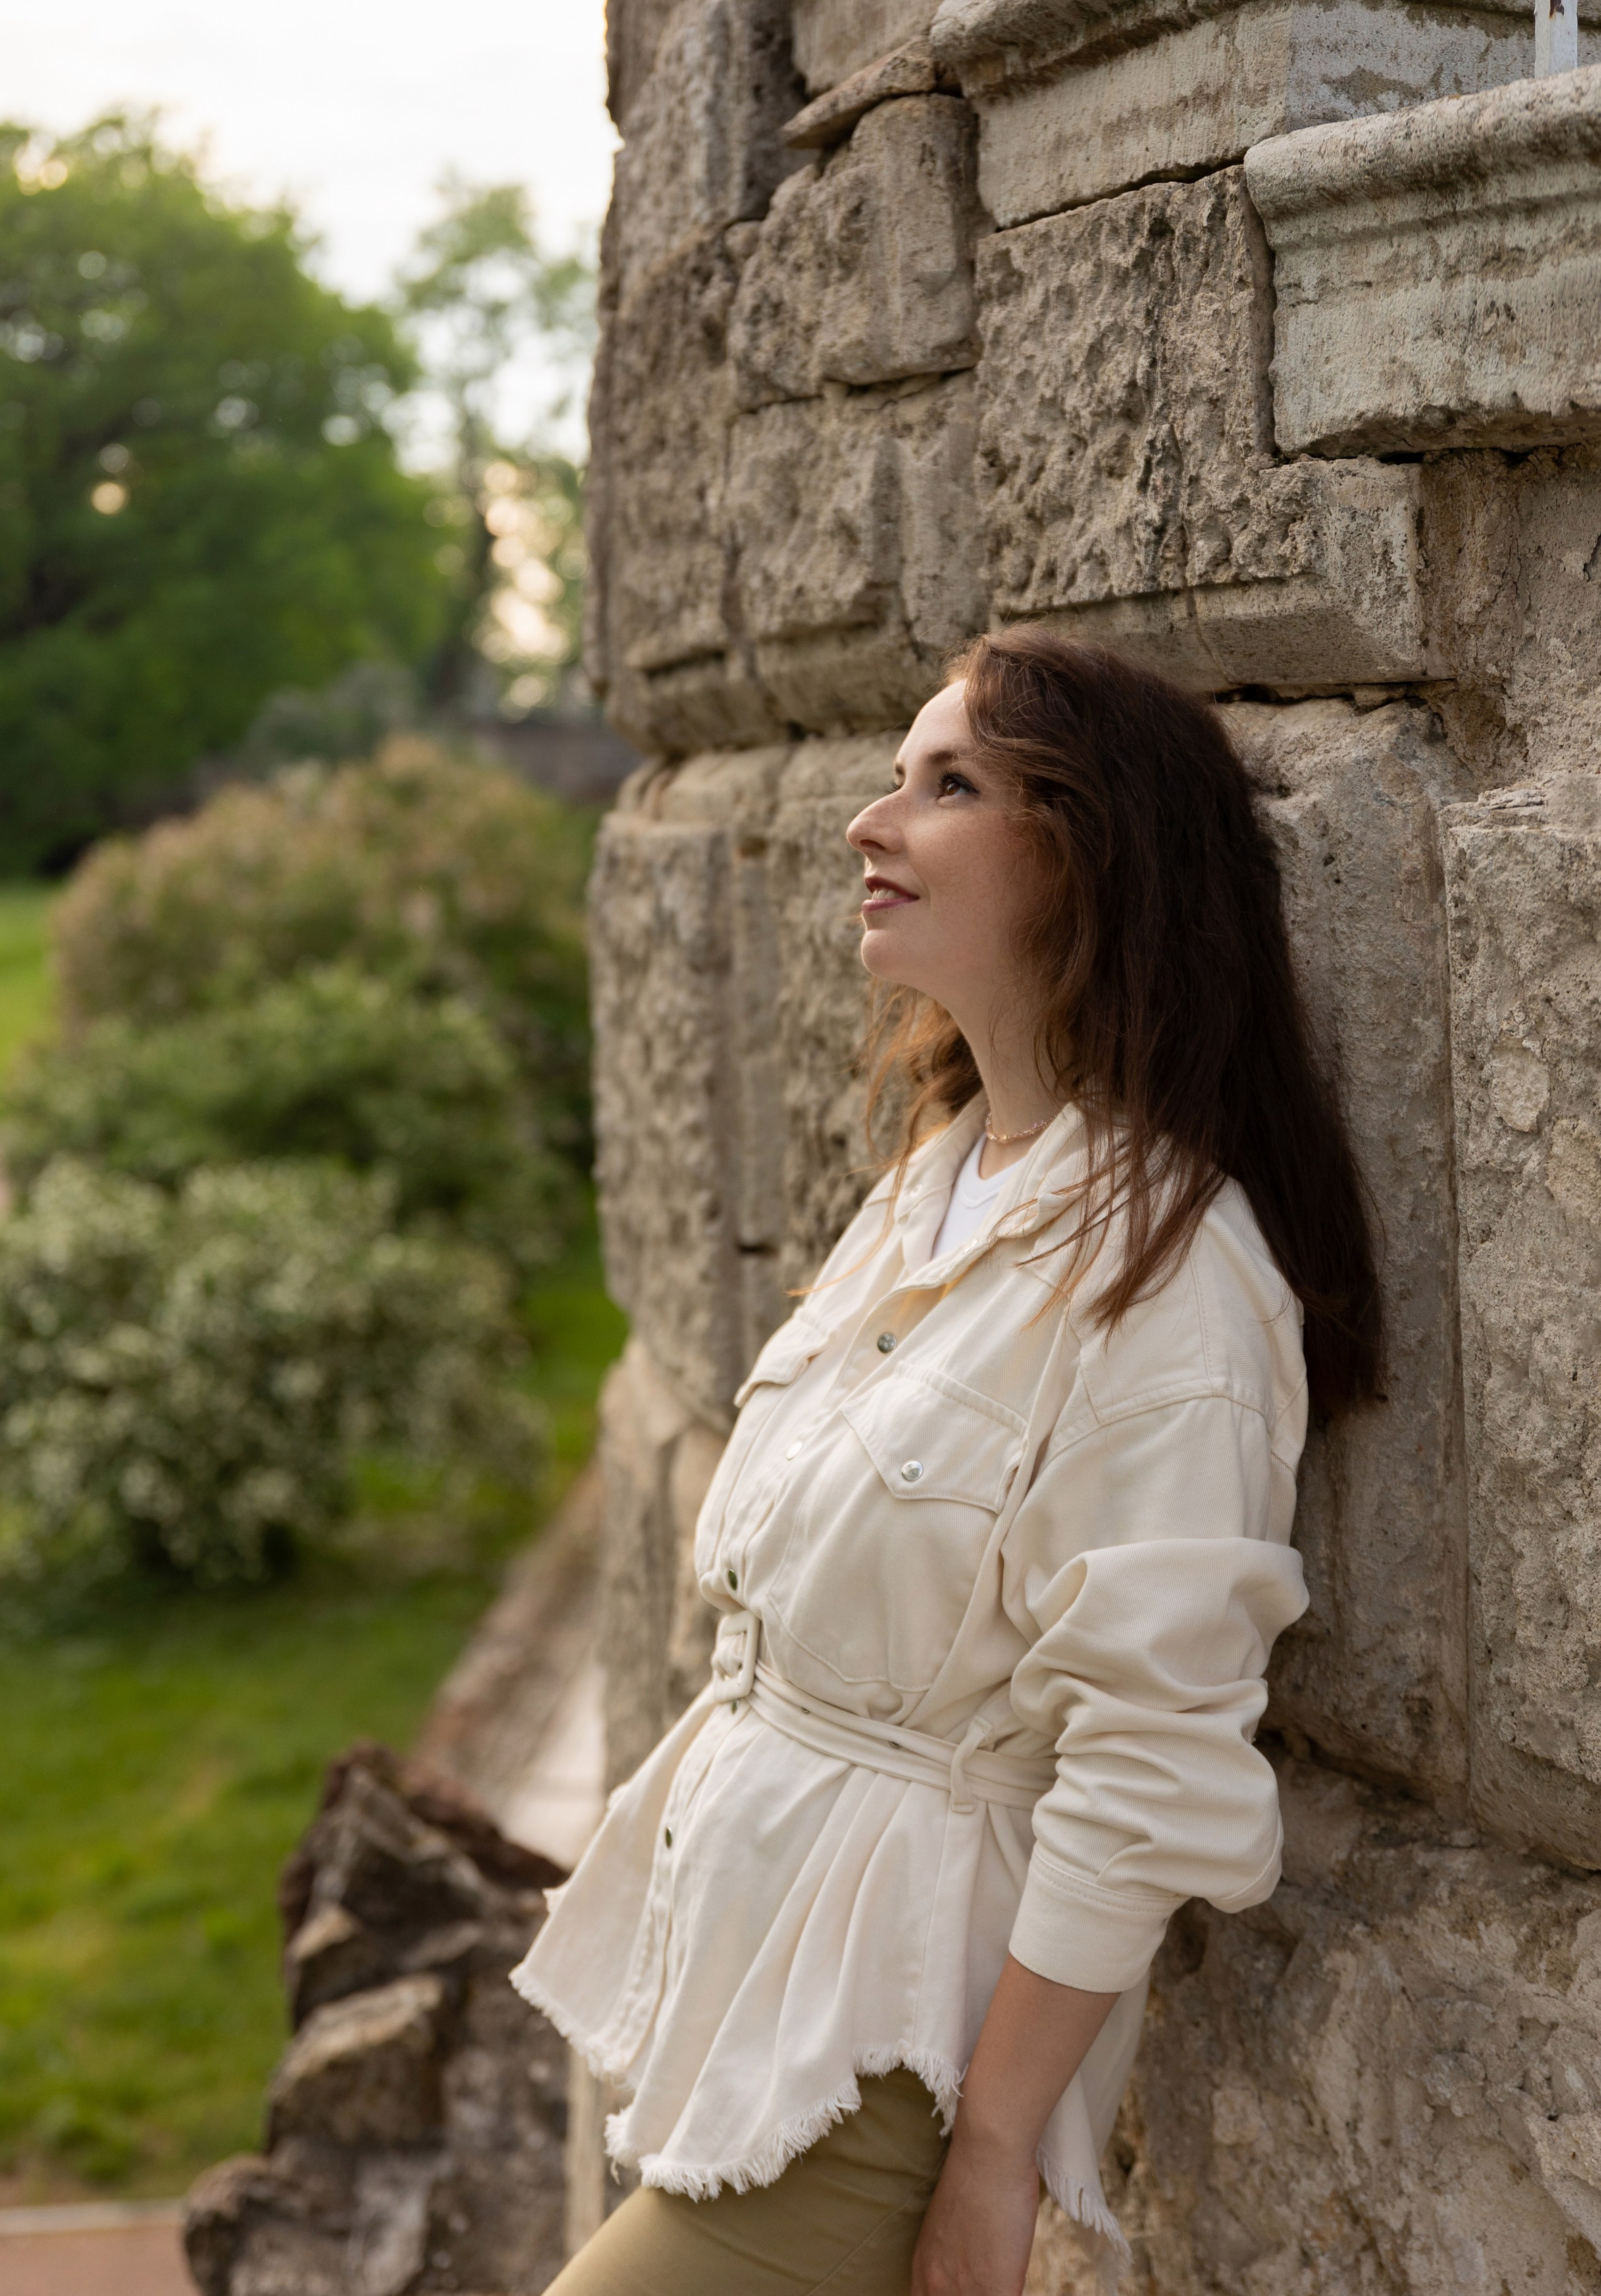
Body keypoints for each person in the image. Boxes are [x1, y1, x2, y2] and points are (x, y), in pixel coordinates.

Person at [517, 629, 1381, 2296]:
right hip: (739, 1998)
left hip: (869, 2058)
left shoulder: (1172, 1280)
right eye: (893, 777)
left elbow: (1145, 1765)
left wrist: (988, 2160)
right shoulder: (938, 1178)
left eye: (948, 784)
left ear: (1087, 855)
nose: (869, 820)